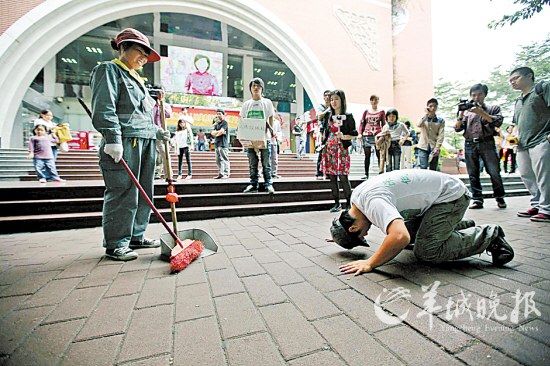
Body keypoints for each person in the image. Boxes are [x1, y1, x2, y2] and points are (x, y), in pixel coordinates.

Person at [331, 170, 514, 276]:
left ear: (353, 227)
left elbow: (400, 236)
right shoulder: (357, 198)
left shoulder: (373, 203)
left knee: (426, 251)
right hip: (440, 195)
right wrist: (339, 234)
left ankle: (490, 235)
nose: (366, 235)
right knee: (409, 235)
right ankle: (455, 226)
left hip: (452, 197)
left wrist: (370, 263)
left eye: (361, 236)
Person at [90, 28, 171, 261]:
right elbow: (104, 108)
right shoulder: (109, 70)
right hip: (124, 142)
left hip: (145, 141)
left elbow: (141, 115)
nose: (144, 58)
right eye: (140, 51)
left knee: (145, 192)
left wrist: (157, 132)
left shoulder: (137, 79)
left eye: (147, 54)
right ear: (123, 47)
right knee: (123, 191)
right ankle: (116, 243)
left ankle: (136, 235)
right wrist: (113, 139)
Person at [454, 83, 506, 210]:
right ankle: (477, 199)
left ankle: (500, 197)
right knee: (473, 173)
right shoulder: (466, 111)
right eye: (473, 95)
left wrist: (481, 112)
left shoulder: (493, 108)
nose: (476, 97)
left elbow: (497, 121)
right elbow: (457, 128)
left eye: (479, 94)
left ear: (485, 95)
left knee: (494, 172)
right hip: (469, 143)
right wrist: (460, 114)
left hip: (487, 142)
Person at [509, 66, 550, 223]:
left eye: (516, 78)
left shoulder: (543, 88)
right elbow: (515, 123)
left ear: (529, 76)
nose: (512, 82)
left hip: (541, 139)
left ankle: (547, 209)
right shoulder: (518, 100)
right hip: (522, 144)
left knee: (544, 176)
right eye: (511, 80)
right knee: (526, 174)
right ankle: (537, 204)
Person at [321, 89, 358, 212]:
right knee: (332, 177)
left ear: (342, 100)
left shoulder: (348, 116)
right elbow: (325, 130)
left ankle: (349, 203)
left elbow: (354, 133)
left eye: (336, 99)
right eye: (331, 99)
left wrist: (344, 136)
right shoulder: (328, 115)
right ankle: (336, 203)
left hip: (341, 149)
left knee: (343, 176)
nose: (333, 102)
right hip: (329, 149)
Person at [241, 77, 275, 194]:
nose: (256, 88)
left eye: (258, 86)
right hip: (250, 139)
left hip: (265, 138)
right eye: (253, 86)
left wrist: (271, 132)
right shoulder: (246, 104)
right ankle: (253, 184)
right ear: (250, 89)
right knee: (252, 163)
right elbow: (243, 120)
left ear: (262, 88)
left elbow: (270, 117)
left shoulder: (267, 102)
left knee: (266, 164)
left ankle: (268, 184)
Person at [359, 95, 385, 180]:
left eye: (376, 100)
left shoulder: (381, 112)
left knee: (379, 154)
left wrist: (384, 134)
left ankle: (381, 172)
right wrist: (360, 133)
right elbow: (362, 123)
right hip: (367, 134)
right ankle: (366, 173)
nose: (374, 101)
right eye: (372, 100)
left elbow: (384, 124)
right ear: (370, 101)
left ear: (378, 101)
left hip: (377, 135)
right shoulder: (366, 111)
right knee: (367, 155)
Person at [416, 98, 445, 171]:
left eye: (435, 106)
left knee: (433, 169)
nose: (433, 108)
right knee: (423, 167)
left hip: (434, 147)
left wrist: (437, 147)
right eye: (431, 106)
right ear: (427, 107)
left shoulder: (441, 120)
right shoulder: (423, 118)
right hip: (423, 146)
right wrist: (426, 114)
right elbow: (419, 125)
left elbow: (441, 135)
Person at [151, 86, 172, 179]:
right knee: (152, 155)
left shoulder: (165, 105)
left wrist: (161, 104)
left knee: (164, 153)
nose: (160, 95)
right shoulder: (150, 104)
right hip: (150, 131)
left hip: (161, 133)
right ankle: (154, 174)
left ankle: (169, 176)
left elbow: (168, 115)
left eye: (162, 93)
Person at [315, 90, 332, 179]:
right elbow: (319, 116)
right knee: (322, 152)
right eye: (326, 95)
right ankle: (319, 172)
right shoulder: (321, 107)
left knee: (331, 153)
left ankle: (329, 172)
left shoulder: (334, 106)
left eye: (329, 95)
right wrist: (328, 110)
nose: (327, 97)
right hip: (323, 131)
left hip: (332, 132)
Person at [211, 109, 230, 179]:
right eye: (217, 114)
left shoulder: (225, 123)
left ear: (223, 115)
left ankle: (226, 173)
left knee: (225, 158)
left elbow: (221, 132)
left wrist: (217, 133)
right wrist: (217, 133)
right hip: (217, 144)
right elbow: (212, 132)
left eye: (220, 114)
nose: (218, 115)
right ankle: (221, 173)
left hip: (223, 144)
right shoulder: (216, 124)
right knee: (218, 160)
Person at [270, 113, 283, 179]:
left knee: (274, 159)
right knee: (266, 159)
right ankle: (265, 173)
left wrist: (277, 136)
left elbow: (279, 131)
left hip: (274, 142)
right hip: (266, 141)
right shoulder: (266, 120)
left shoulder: (277, 122)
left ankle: (274, 173)